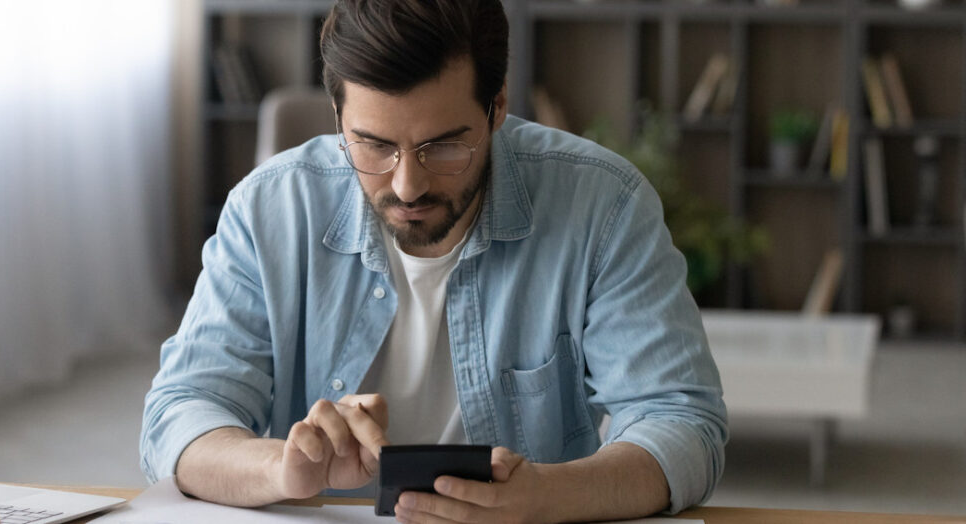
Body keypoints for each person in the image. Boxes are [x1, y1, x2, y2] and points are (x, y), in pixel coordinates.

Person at [140, 0, 727, 521]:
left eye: (442, 146)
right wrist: (281, 470)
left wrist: (546, 497)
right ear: (338, 117)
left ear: (497, 106)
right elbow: (181, 414)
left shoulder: (604, 205)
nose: (408, 185)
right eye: (374, 144)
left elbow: (681, 423)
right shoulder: (269, 209)